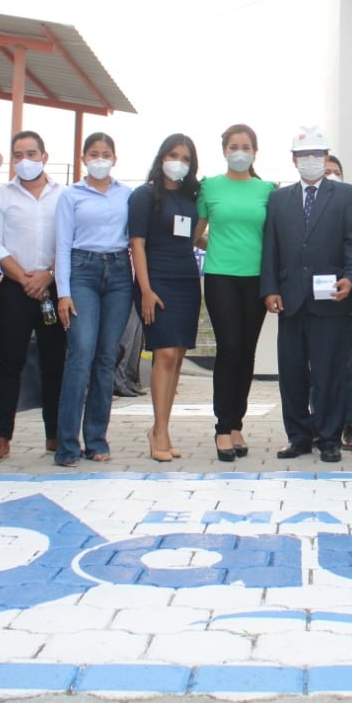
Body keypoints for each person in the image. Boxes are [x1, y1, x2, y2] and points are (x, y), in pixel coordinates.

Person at [262, 126, 352, 463]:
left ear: (326, 157)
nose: (311, 160)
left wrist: (351, 278)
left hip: (331, 298)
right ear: (294, 159)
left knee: (329, 373)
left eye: (317, 154)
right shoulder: (279, 198)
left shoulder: (346, 195)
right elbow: (271, 247)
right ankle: (298, 437)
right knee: (292, 373)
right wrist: (270, 289)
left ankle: (329, 438)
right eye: (304, 155)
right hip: (291, 298)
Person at [196, 124, 275, 461]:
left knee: (246, 352)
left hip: (256, 279)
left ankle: (237, 423)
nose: (239, 152)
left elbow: (273, 238)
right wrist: (216, 248)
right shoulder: (209, 186)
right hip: (220, 277)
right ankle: (222, 427)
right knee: (229, 348)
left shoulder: (267, 190)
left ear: (255, 152)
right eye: (233, 146)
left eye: (245, 147)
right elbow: (195, 234)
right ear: (224, 151)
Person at [53, 133, 132, 466]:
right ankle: (67, 445)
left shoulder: (126, 194)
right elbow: (61, 245)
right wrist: (63, 292)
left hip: (118, 273)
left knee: (106, 357)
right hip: (82, 270)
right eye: (94, 154)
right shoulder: (70, 195)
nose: (100, 159)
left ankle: (97, 439)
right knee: (80, 353)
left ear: (115, 158)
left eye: (106, 154)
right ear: (84, 158)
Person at [0, 130, 65, 462]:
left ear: (44, 157)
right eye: (18, 155)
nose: (24, 160)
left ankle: (55, 435)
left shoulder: (64, 195)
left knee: (54, 363)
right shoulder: (1, 197)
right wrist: (22, 277)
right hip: (14, 289)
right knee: (10, 364)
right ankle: (1, 437)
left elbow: (70, 240)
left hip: (53, 287)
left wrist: (49, 274)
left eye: (31, 154)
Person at [129, 133, 203, 463]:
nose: (179, 163)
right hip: (156, 280)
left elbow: (195, 238)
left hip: (187, 280)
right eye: (174, 155)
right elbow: (137, 244)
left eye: (186, 159)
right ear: (162, 157)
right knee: (165, 353)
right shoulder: (144, 195)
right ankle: (158, 431)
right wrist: (145, 290)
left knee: (178, 356)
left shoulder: (191, 198)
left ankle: (163, 428)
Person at [325, 153, 352, 450]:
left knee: (351, 363)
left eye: (335, 171)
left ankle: (350, 422)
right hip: (315, 293)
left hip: (349, 290)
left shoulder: (351, 202)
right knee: (318, 364)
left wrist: (351, 278)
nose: (330, 175)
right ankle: (321, 420)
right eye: (325, 170)